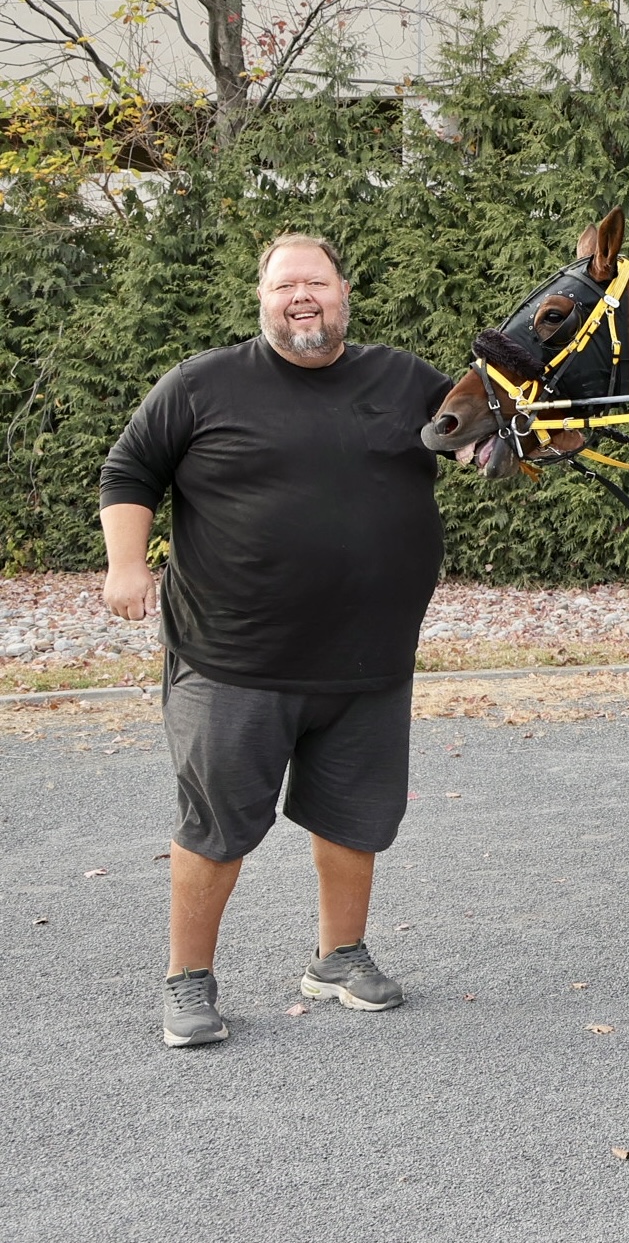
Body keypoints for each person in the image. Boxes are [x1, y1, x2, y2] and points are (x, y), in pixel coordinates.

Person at [100, 234, 455, 1046]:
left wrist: (524, 440)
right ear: (262, 298)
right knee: (217, 822)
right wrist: (127, 564)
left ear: (345, 292)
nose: (302, 296)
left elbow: (472, 433)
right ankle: (187, 978)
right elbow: (129, 472)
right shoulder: (200, 384)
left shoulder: (402, 378)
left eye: (316, 282)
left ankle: (339, 956)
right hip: (234, 661)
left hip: (369, 660)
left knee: (356, 818)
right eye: (284, 284)